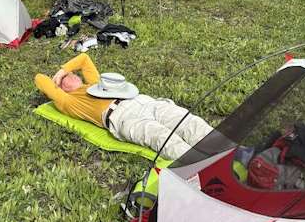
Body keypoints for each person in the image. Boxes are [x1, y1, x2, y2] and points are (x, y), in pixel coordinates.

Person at [35, 54, 213, 161]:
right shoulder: (70, 102)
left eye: (72, 73)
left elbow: (84, 59)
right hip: (121, 117)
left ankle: (228, 150)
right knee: (162, 137)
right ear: (60, 87)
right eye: (66, 77)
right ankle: (203, 165)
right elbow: (39, 79)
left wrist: (64, 68)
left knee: (188, 121)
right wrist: (57, 77)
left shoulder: (96, 84)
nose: (71, 74)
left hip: (143, 101)